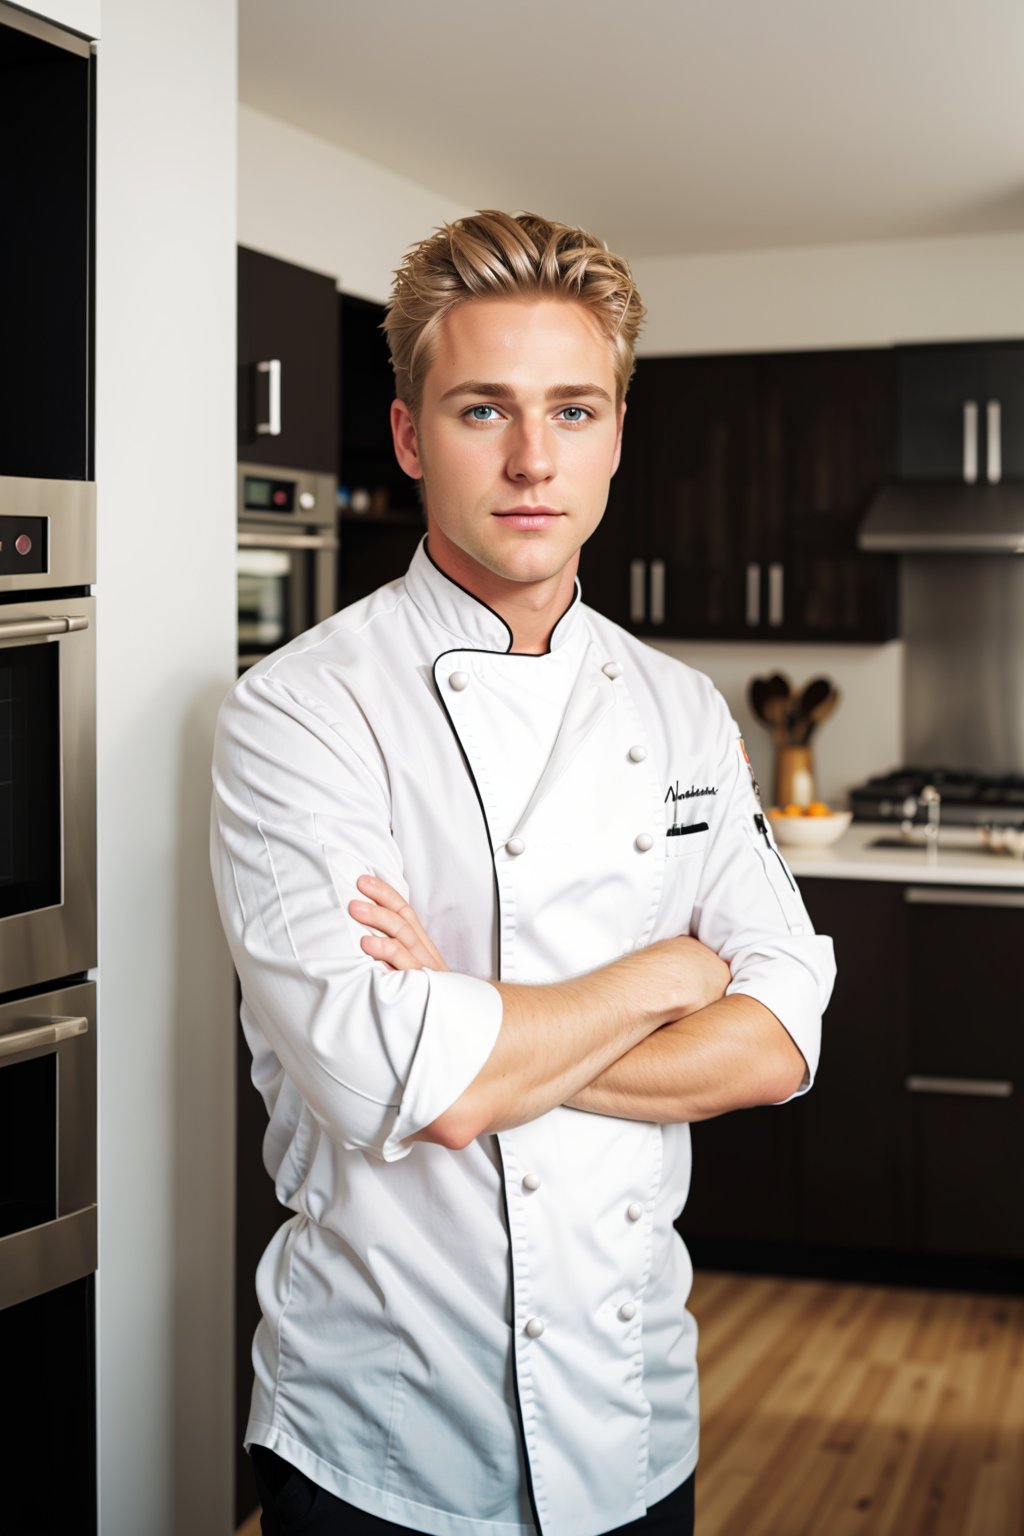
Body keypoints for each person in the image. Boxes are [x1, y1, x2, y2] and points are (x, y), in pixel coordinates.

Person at [210, 210, 835, 1536]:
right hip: (380, 1435)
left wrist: (481, 1028)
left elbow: (777, 1039)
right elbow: (399, 1084)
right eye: (483, 410)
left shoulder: (680, 711)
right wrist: (668, 974)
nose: (535, 459)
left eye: (575, 409)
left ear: (618, 433)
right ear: (408, 437)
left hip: (635, 1418)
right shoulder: (300, 712)